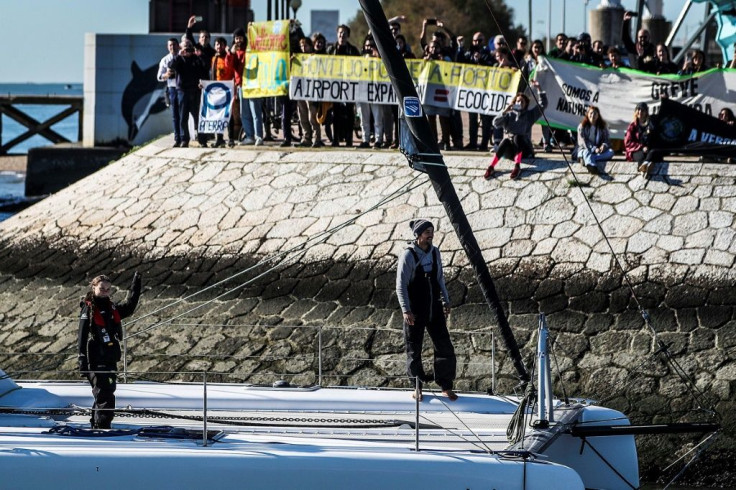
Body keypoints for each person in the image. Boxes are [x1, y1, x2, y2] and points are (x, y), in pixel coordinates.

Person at [396, 219, 457, 402]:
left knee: (444, 346)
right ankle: (417, 387)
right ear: (418, 234)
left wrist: (446, 300)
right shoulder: (408, 255)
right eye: (426, 232)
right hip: (415, 310)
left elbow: (440, 279)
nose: (430, 235)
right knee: (414, 349)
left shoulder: (435, 252)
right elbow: (401, 286)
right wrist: (406, 310)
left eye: (431, 231)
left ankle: (446, 386)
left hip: (434, 308)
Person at [78, 273, 142, 429]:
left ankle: (96, 425)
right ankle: (103, 427)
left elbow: (129, 307)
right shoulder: (88, 309)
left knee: (105, 392)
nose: (105, 291)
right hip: (96, 359)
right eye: (102, 289)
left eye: (108, 289)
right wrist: (82, 360)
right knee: (105, 394)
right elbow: (82, 335)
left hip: (110, 357)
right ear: (94, 288)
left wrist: (136, 286)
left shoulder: (111, 307)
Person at [484, 82, 546, 180]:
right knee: (505, 141)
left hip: (524, 149)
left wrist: (539, 88)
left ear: (525, 105)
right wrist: (505, 111)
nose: (519, 103)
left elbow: (543, 104)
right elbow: (495, 123)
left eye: (522, 102)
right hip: (511, 151)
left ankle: (517, 166)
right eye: (518, 101)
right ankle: (491, 166)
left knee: (518, 137)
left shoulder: (529, 115)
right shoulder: (509, 115)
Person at [170, 39, 209, 147]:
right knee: (183, 117)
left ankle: (202, 140)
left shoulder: (195, 58)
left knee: (198, 117)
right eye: (184, 47)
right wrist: (179, 55)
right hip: (182, 91)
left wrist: (199, 54)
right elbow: (171, 66)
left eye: (188, 47)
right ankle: (184, 140)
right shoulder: (179, 59)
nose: (186, 50)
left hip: (195, 91)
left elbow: (205, 67)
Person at [327, 24, 360, 147]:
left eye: (345, 33)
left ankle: (349, 139)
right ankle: (336, 139)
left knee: (349, 114)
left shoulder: (353, 50)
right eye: (340, 33)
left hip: (349, 86)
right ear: (337, 35)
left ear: (348, 35)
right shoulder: (330, 50)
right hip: (335, 86)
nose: (342, 35)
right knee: (335, 114)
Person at [295, 37, 323, 147]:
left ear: (310, 46)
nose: (303, 48)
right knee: (302, 115)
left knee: (312, 116)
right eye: (301, 46)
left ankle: (317, 138)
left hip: (311, 90)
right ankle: (306, 138)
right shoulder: (298, 58)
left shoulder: (314, 57)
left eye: (305, 45)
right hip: (300, 90)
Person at [624, 102, 662, 178]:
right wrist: (641, 147)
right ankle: (645, 167)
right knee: (641, 156)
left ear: (646, 112)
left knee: (655, 152)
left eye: (642, 110)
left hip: (650, 150)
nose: (640, 112)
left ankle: (644, 166)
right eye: (638, 109)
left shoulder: (651, 123)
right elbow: (628, 143)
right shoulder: (632, 126)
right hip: (637, 150)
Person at [210, 36, 236, 147]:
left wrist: (228, 53)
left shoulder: (229, 57)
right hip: (216, 90)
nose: (219, 46)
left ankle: (231, 138)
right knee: (217, 115)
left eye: (221, 44)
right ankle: (219, 138)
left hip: (227, 89)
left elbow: (230, 67)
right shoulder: (213, 59)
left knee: (229, 115)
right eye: (217, 44)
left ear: (225, 46)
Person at [157, 38, 183, 147]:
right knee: (175, 115)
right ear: (168, 47)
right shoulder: (165, 60)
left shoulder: (183, 57)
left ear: (178, 45)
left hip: (183, 88)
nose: (172, 47)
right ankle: (177, 138)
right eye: (170, 45)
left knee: (184, 114)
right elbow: (159, 77)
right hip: (172, 88)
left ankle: (185, 136)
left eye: (174, 45)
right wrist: (166, 75)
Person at [576, 106, 614, 173]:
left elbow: (606, 140)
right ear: (587, 114)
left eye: (595, 113)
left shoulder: (602, 127)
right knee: (586, 152)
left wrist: (603, 146)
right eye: (591, 113)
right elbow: (583, 142)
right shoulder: (582, 126)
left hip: (597, 152)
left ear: (598, 116)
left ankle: (588, 159)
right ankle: (591, 165)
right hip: (585, 149)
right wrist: (594, 149)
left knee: (610, 152)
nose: (593, 115)